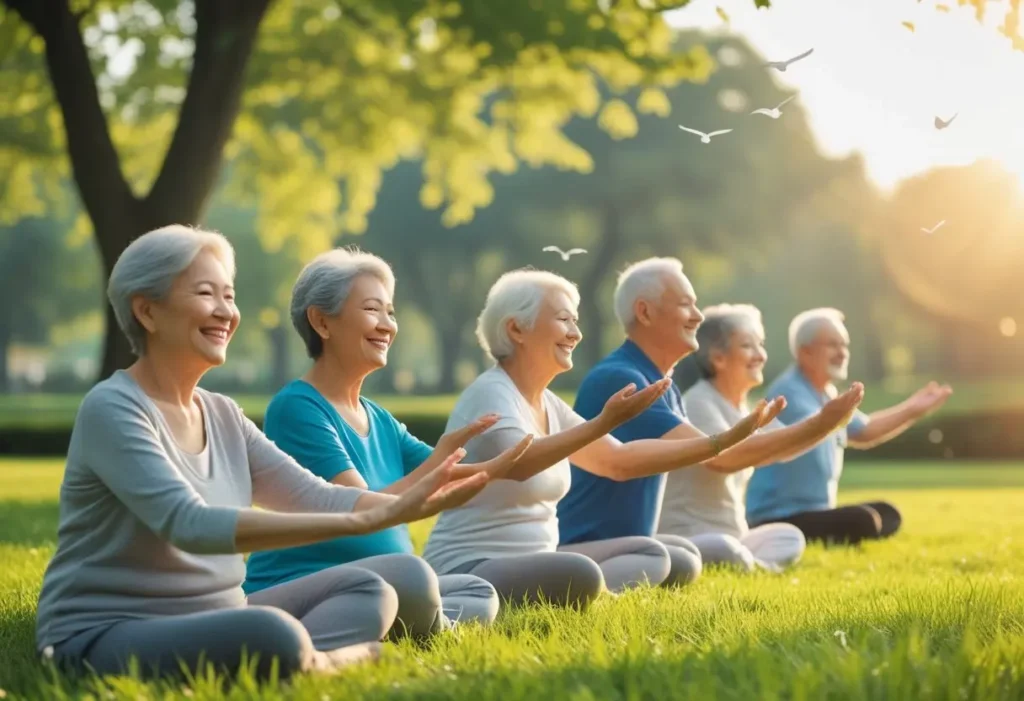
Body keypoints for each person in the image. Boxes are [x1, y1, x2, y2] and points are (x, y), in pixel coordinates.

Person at [35, 226, 526, 682]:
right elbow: (188, 524)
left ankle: (307, 660)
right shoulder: (113, 408)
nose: (227, 311)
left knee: (371, 587)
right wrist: (369, 519)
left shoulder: (222, 413)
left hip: (219, 612)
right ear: (147, 311)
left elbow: (314, 495)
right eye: (206, 294)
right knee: (273, 635)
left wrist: (409, 503)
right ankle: (325, 657)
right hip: (103, 631)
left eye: (229, 295)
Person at [423, 269, 775, 609]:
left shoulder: (548, 403)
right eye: (564, 320)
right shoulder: (491, 393)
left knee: (671, 556)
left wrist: (720, 442)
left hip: (539, 559)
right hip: (473, 564)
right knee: (583, 574)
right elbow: (520, 463)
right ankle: (601, 600)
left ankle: (594, 594)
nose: (575, 333)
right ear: (516, 328)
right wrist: (603, 422)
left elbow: (617, 461)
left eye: (575, 321)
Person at [244, 248, 530, 637]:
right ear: (321, 322)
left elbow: (446, 475)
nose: (387, 325)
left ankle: (427, 620)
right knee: (413, 575)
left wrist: (499, 466)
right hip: (313, 583)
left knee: (474, 588)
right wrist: (446, 462)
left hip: (386, 579)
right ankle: (435, 626)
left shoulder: (378, 417)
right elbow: (357, 515)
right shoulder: (298, 407)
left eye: (390, 312)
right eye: (372, 309)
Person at [556, 259, 864, 567]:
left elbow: (758, 451)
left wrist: (824, 425)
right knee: (687, 558)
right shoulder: (623, 378)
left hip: (638, 544)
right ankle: (746, 564)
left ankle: (746, 562)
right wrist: (822, 422)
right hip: (593, 542)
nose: (698, 316)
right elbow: (720, 457)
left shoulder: (665, 386)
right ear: (645, 312)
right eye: (686, 304)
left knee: (773, 539)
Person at [658, 303, 865, 571]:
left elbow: (784, 448)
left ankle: (750, 564)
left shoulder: (746, 409)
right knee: (725, 548)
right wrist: (822, 421)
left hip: (736, 534)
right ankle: (752, 565)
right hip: (691, 535)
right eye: (747, 346)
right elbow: (726, 458)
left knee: (790, 536)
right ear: (718, 358)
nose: (760, 355)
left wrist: (829, 423)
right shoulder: (699, 402)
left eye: (760, 344)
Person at [745, 307, 952, 544]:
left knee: (888, 513)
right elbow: (815, 425)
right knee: (862, 520)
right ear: (806, 352)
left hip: (817, 512)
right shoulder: (789, 392)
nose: (842, 353)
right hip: (777, 517)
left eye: (844, 345)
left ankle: (835, 531)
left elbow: (864, 430)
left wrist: (913, 410)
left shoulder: (826, 394)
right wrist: (835, 416)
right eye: (832, 344)